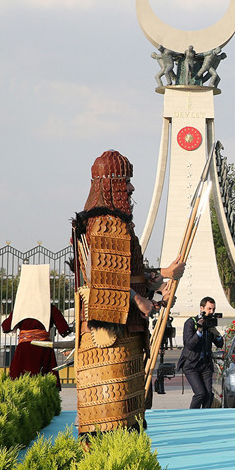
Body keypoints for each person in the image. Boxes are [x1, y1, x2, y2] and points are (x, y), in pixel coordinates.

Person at [71, 150, 184, 433]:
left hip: (126, 329)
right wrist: (139, 299)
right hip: (111, 332)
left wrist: (161, 278)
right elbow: (103, 281)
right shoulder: (106, 223)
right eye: (125, 181)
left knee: (127, 408)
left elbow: (125, 275)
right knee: (111, 408)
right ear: (109, 183)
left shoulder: (113, 223)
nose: (131, 188)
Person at [1, 265, 70, 389]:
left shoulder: (19, 310)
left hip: (24, 350)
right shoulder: (50, 308)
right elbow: (64, 330)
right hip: (44, 350)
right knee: (45, 386)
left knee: (21, 385)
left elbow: (6, 327)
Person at [178, 297, 224, 409]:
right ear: (201, 308)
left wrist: (216, 334)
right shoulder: (190, 323)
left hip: (205, 364)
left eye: (213, 309)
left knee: (209, 394)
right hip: (191, 364)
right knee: (200, 393)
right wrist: (199, 331)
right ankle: (192, 416)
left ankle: (205, 417)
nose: (211, 312)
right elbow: (189, 345)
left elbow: (220, 344)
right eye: (209, 309)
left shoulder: (210, 324)